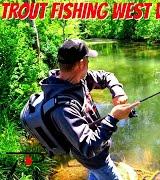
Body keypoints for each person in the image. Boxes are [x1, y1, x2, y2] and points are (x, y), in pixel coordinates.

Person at [40, 39, 139, 180]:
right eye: (88, 60)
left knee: (95, 175)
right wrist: (113, 117)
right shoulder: (63, 108)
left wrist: (118, 92)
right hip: (94, 159)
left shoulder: (77, 79)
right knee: (105, 174)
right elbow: (89, 147)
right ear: (81, 64)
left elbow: (106, 76)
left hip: (96, 154)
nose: (88, 64)